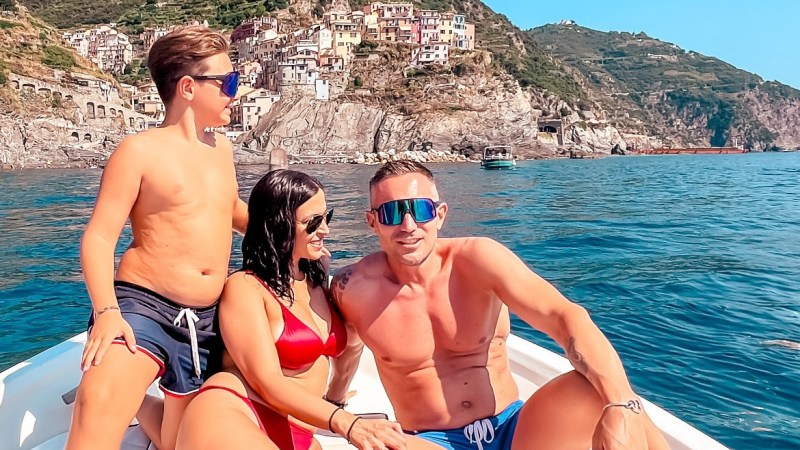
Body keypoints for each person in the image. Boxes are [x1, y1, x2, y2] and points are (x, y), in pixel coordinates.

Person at [328, 160, 670, 450]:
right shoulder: (353, 288)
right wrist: (335, 401)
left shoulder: (477, 260)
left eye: (420, 210)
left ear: (440, 215)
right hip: (430, 440)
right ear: (372, 221)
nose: (408, 226)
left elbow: (566, 317)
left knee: (602, 387)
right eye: (391, 213)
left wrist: (619, 406)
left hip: (515, 427)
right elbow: (350, 348)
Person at [67, 26, 249, 450]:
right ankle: (122, 391)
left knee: (179, 444)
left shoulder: (220, 149)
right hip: (142, 306)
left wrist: (293, 229)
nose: (235, 93)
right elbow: (98, 238)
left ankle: (142, 406)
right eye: (228, 83)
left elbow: (233, 209)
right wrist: (108, 312)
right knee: (98, 405)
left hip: (207, 318)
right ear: (188, 87)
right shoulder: (139, 151)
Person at [176, 170, 406, 450]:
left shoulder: (317, 280)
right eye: (313, 222)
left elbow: (352, 345)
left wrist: (334, 400)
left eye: (326, 217)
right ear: (279, 225)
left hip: (298, 427)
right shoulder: (246, 288)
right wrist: (347, 422)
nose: (326, 230)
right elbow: (267, 382)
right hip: (237, 411)